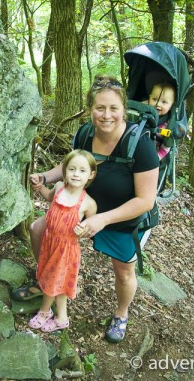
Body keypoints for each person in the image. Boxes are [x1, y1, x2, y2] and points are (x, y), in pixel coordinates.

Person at [19, 75, 159, 343]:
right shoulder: (85, 133)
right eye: (100, 108)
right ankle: (48, 283)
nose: (106, 115)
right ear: (90, 109)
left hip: (119, 219)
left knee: (124, 270)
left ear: (123, 109)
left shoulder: (141, 145)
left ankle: (121, 313)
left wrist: (103, 220)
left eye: (113, 108)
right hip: (80, 210)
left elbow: (145, 200)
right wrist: (45, 178)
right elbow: (71, 165)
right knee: (38, 229)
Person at [28, 149, 97, 332]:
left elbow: (91, 229)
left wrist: (83, 230)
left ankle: (44, 311)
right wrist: (39, 187)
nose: (76, 174)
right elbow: (48, 196)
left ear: (91, 175)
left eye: (82, 171)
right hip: (50, 242)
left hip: (66, 250)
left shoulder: (88, 203)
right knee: (56, 280)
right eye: (72, 169)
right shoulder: (59, 188)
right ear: (65, 170)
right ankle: (62, 318)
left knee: (52, 280)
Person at [144, 81, 176, 160]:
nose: (158, 104)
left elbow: (166, 148)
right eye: (154, 99)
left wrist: (156, 158)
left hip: (152, 156)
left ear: (171, 105)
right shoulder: (143, 109)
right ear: (149, 98)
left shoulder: (168, 125)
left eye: (164, 102)